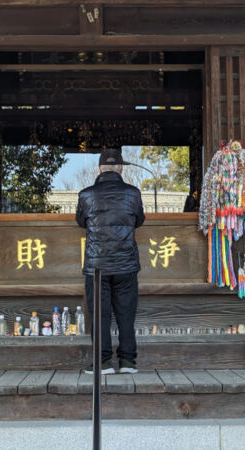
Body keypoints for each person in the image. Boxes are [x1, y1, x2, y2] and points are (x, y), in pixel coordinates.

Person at [76, 148, 145, 374]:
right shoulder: (133, 193)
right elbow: (139, 220)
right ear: (121, 168)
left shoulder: (86, 195)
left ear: (99, 169)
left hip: (97, 266)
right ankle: (127, 362)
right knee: (126, 314)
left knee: (99, 315)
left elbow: (81, 221)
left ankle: (103, 363)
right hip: (126, 264)